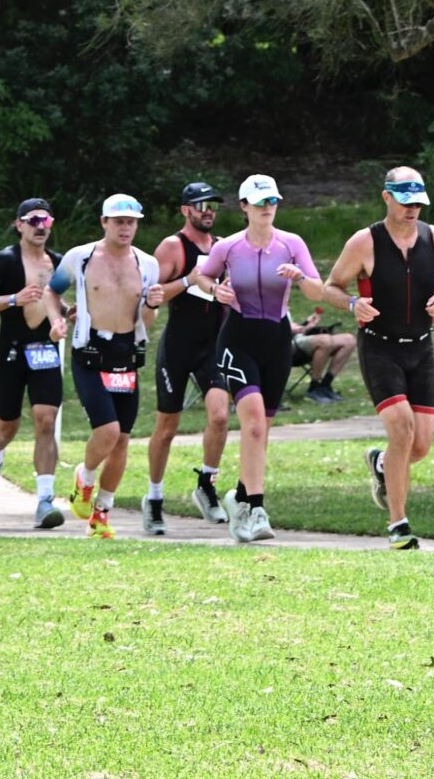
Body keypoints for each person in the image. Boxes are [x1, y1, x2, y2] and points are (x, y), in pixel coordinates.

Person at [322, 167, 434, 551]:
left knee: (420, 446)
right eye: (405, 202)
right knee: (401, 430)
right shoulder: (364, 242)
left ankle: (381, 464)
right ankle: (398, 524)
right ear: (387, 198)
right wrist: (353, 302)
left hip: (421, 346)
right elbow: (330, 287)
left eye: (418, 202)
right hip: (379, 346)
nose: (412, 209)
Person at [196, 173, 323, 543]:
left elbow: (317, 286)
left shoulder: (291, 243)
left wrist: (300, 277)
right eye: (260, 202)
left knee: (261, 431)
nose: (268, 208)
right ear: (244, 207)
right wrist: (215, 290)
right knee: (252, 424)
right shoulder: (229, 247)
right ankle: (255, 508)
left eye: (273, 202)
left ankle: (239, 494)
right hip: (238, 337)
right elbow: (201, 277)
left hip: (277, 340)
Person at [45, 194, 163, 539]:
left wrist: (153, 305)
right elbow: (52, 292)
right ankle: (85, 476)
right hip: (90, 352)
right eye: (118, 221)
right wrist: (57, 320)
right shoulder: (80, 258)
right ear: (104, 223)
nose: (125, 228)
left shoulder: (148, 264)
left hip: (126, 354)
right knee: (108, 431)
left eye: (131, 222)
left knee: (123, 440)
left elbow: (146, 318)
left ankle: (101, 515)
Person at [0, 198, 68, 529]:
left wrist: (66, 317)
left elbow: (59, 302)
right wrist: (13, 299)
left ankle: (45, 501)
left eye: (47, 221)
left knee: (46, 419)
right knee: (6, 426)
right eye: (34, 220)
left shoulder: (58, 263)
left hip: (44, 351)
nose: (41, 226)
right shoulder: (5, 261)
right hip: (12, 351)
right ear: (19, 225)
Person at [143, 182, 230, 535]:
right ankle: (154, 499)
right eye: (200, 205)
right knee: (167, 428)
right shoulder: (173, 246)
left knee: (221, 417)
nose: (208, 210)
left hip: (213, 345)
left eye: (212, 205)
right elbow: (154, 295)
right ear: (185, 210)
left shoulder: (223, 246)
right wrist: (189, 280)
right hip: (179, 345)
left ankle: (206, 485)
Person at [290, 308, 356, 404]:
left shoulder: (283, 306)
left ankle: (325, 385)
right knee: (325, 340)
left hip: (299, 339)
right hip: (287, 347)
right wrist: (286, 327)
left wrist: (307, 326)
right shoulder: (268, 307)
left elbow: (296, 332)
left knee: (349, 340)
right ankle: (314, 387)